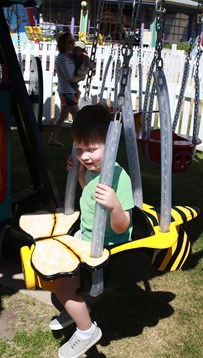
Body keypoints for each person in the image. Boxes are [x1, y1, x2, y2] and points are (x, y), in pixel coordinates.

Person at [51, 103, 134, 358]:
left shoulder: (119, 178)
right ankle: (75, 308)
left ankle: (87, 330)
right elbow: (87, 190)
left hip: (107, 247)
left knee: (60, 281)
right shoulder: (91, 169)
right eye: (79, 150)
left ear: (109, 147)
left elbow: (123, 226)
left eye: (92, 149)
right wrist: (76, 172)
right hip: (86, 237)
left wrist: (115, 206)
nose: (85, 156)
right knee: (56, 265)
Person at [47, 32, 86, 147]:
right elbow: (70, 78)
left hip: (69, 91)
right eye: (70, 42)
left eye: (73, 41)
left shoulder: (70, 56)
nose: (73, 44)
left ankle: (52, 139)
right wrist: (82, 77)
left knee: (62, 117)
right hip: (66, 92)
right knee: (78, 117)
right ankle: (81, 141)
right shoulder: (62, 58)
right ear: (63, 44)